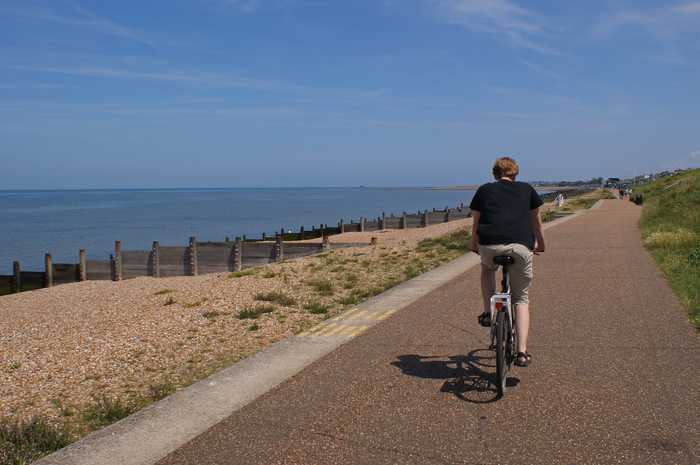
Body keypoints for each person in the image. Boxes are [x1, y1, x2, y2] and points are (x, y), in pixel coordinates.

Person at [469, 157, 545, 367]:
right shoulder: (527, 189)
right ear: (515, 173)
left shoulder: (484, 190)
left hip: (490, 245)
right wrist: (540, 243)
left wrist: (473, 244)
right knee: (521, 298)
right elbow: (536, 222)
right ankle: (521, 352)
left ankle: (487, 311)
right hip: (520, 247)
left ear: (494, 173)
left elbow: (475, 223)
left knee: (486, 269)